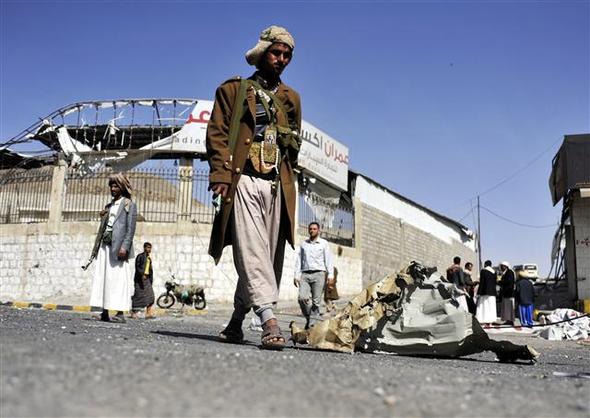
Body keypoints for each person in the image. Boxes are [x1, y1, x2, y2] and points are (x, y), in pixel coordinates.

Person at [206, 26, 301, 350]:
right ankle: (268, 320)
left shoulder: (291, 99)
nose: (282, 59)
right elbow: (217, 133)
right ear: (262, 53)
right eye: (276, 53)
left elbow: (294, 146)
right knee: (250, 250)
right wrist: (220, 173)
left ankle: (235, 323)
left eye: (287, 55)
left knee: (267, 258)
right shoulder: (233, 90)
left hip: (275, 184)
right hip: (242, 178)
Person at [89, 173, 137, 323]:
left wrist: (125, 247)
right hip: (105, 246)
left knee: (118, 280)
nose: (113, 188)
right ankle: (104, 312)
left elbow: (130, 229)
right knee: (104, 278)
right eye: (111, 185)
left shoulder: (129, 204)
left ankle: (120, 313)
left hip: (118, 249)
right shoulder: (109, 206)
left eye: (116, 185)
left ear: (122, 187)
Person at [294, 222, 335, 329]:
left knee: (316, 302)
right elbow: (299, 260)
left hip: (319, 274)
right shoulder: (304, 244)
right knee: (302, 298)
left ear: (318, 230)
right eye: (310, 229)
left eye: (314, 229)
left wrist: (330, 276)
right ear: (308, 230)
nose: (312, 230)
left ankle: (312, 325)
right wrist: (296, 275)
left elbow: (328, 260)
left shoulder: (324, 243)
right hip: (305, 274)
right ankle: (309, 318)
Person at [131, 242, 155, 319]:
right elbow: (137, 267)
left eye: (150, 248)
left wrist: (150, 279)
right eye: (147, 247)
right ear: (144, 248)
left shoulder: (149, 258)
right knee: (138, 296)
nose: (149, 249)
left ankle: (148, 313)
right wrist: (142, 274)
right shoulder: (140, 256)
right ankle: (133, 312)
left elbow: (150, 270)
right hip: (139, 280)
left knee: (151, 296)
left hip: (147, 280)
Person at [476, 260, 498, 325]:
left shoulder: (483, 271)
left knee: (483, 306)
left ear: (485, 264)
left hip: (484, 292)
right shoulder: (494, 272)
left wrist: (479, 292)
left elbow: (482, 282)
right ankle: (490, 321)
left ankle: (483, 320)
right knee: (491, 306)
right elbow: (495, 282)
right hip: (492, 292)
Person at [499, 261, 516, 325]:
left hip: (509, 293)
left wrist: (500, 282)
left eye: (502, 266)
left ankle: (510, 320)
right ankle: (508, 320)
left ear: (506, 266)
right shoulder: (505, 272)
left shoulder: (510, 272)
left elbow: (508, 281)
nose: (501, 267)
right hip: (506, 294)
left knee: (510, 308)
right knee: (507, 309)